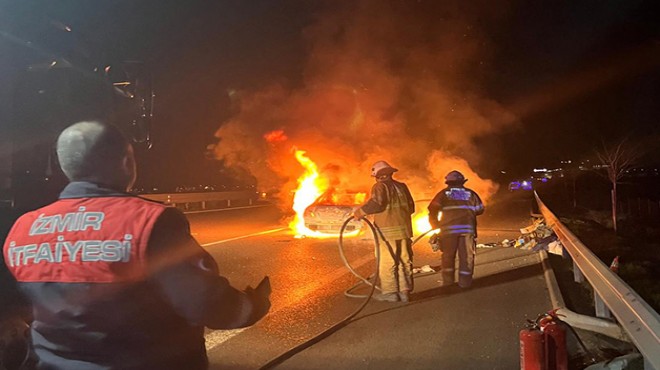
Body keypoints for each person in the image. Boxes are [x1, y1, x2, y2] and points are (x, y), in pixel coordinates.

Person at [2, 121, 271, 370]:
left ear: (65, 167)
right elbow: (205, 303)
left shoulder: (24, 227)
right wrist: (251, 306)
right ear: (126, 161)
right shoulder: (151, 221)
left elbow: (26, 310)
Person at [353, 160, 415, 303]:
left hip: (387, 232)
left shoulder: (379, 187)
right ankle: (405, 292)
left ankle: (390, 293)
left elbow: (377, 203)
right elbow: (411, 208)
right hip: (404, 230)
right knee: (404, 260)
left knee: (388, 262)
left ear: (378, 176)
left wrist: (360, 212)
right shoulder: (402, 186)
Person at [428, 170, 484, 288]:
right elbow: (480, 209)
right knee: (467, 258)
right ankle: (465, 283)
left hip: (449, 231)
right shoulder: (471, 194)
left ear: (448, 182)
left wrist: (435, 224)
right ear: (462, 182)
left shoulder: (444, 194)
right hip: (467, 230)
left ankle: (448, 284)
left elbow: (432, 209)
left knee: (448, 257)